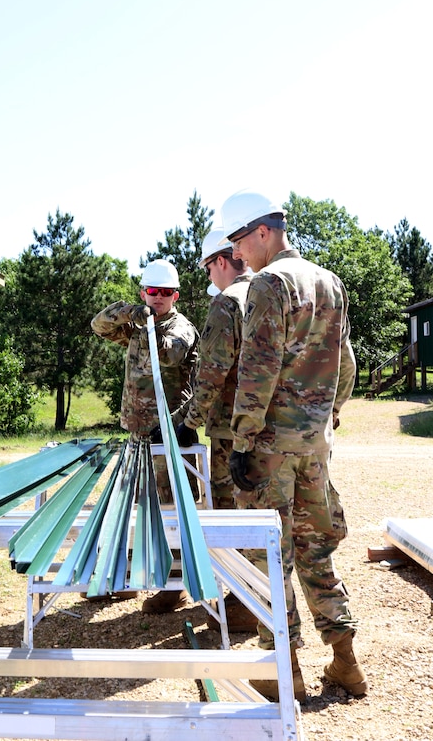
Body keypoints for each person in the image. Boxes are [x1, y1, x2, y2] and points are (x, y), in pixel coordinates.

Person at [219, 188, 367, 703]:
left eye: (239, 240)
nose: (236, 252)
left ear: (264, 231)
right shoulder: (329, 281)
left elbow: (257, 370)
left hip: (270, 448)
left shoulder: (268, 283)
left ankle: (286, 673)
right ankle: (346, 662)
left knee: (268, 557)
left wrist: (241, 442)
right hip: (315, 445)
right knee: (315, 549)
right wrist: (327, 417)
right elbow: (345, 363)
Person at [91, 258, 199, 613]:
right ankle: (131, 577)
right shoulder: (137, 322)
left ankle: (176, 583)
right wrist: (131, 313)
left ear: (176, 296)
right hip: (137, 430)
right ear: (144, 292)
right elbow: (99, 324)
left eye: (166, 293)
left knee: (171, 507)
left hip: (168, 432)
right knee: (137, 505)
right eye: (153, 292)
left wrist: (149, 323)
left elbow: (170, 354)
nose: (159, 298)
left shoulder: (179, 326)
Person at [172, 229, 259, 632]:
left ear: (221, 261)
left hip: (230, 429)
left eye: (208, 268)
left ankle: (243, 601)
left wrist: (186, 424)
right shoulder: (268, 292)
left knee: (231, 512)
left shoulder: (227, 303)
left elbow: (211, 376)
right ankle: (256, 596)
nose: (210, 275)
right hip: (269, 426)